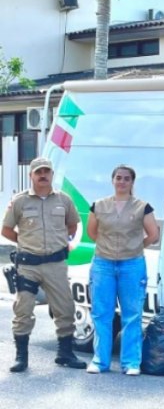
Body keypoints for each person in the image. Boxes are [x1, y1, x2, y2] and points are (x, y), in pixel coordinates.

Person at [2, 156, 86, 372]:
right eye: (38, 172)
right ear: (31, 175)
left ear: (51, 175)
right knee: (23, 309)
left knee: (65, 308)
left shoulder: (63, 200)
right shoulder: (20, 201)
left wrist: (58, 242)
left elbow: (73, 225)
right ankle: (22, 357)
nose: (42, 175)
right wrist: (26, 242)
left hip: (56, 264)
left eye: (46, 171)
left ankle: (65, 353)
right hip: (28, 264)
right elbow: (6, 229)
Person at [85, 164, 159, 376]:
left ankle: (131, 363)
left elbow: (153, 234)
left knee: (132, 314)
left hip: (132, 264)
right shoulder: (98, 205)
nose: (122, 181)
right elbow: (92, 232)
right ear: (113, 180)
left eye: (126, 178)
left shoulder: (142, 207)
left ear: (132, 182)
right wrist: (108, 247)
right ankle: (100, 361)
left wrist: (136, 247)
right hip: (103, 264)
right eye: (118, 177)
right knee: (101, 313)